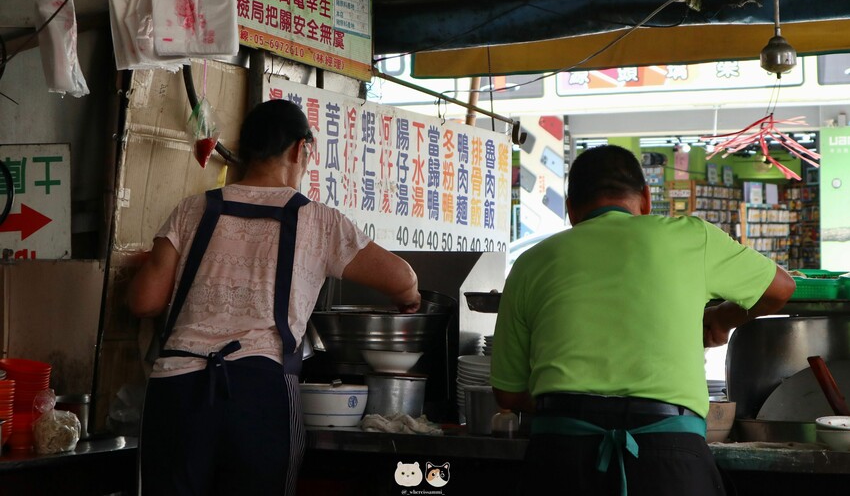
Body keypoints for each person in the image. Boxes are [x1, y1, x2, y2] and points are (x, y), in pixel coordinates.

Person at [128, 99, 421, 496]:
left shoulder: (191, 210)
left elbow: (144, 301)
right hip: (257, 392)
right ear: (301, 149)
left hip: (177, 392)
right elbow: (402, 278)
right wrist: (410, 297)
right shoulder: (318, 221)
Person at [490, 144, 795, 496]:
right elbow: (781, 288)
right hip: (671, 461)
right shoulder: (692, 237)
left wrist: (579, 405)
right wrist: (723, 318)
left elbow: (508, 393)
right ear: (646, 200)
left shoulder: (530, 262)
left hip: (561, 459)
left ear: (571, 210)